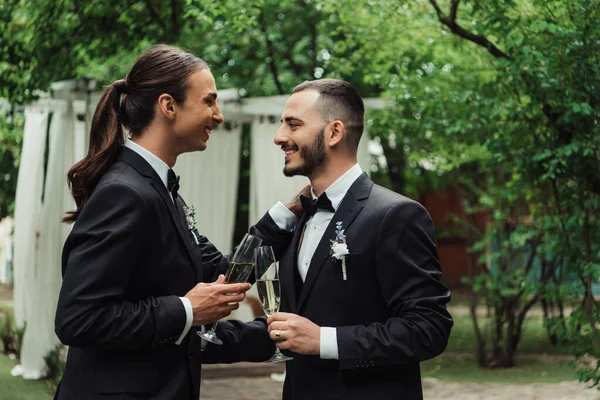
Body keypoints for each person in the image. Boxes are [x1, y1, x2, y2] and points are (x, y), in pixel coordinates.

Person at [54, 45, 303, 400]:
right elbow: (78, 318)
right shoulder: (125, 192)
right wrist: (186, 309)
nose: (218, 116)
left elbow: (222, 272)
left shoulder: (158, 188)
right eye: (209, 101)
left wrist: (286, 215)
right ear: (168, 105)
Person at [266, 79, 454, 399]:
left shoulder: (396, 215)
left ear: (334, 133)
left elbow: (428, 329)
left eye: (293, 124)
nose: (279, 137)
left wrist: (324, 341)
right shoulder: (298, 217)